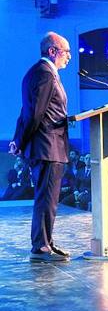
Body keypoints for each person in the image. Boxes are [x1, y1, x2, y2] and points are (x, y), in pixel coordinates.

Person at [10, 32, 72, 262]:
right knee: (46, 199)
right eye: (66, 52)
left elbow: (26, 112)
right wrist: (22, 141)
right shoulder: (45, 74)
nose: (69, 57)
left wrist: (18, 140)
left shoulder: (36, 73)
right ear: (52, 51)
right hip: (48, 147)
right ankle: (41, 247)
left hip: (46, 146)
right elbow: (35, 114)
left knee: (47, 199)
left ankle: (46, 243)